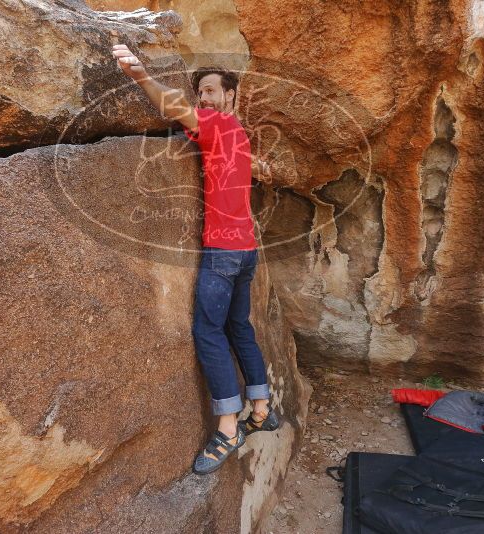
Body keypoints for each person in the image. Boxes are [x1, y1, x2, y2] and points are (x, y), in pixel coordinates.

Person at [112, 44, 280, 474]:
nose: (202, 98)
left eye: (209, 91)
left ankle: (227, 427)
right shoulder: (236, 133)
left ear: (230, 96)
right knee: (239, 327)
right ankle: (261, 407)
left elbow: (174, 109)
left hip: (223, 252)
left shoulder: (219, 123)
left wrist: (141, 78)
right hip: (245, 251)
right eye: (199, 92)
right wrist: (260, 166)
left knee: (208, 331)